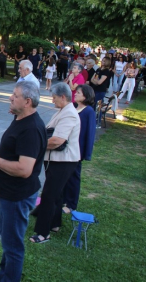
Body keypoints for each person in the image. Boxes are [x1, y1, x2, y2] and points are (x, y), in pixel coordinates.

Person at [0, 81, 47, 282]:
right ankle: (3, 276)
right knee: (7, 238)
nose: (10, 97)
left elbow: (24, 169)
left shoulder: (30, 129)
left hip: (16, 195)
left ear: (27, 102)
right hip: (8, 192)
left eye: (15, 95)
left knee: (13, 245)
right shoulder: (22, 118)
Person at [30, 83, 80, 243]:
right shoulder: (63, 111)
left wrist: (37, 146)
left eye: (54, 97)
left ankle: (43, 233)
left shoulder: (69, 114)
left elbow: (58, 140)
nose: (52, 101)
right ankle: (55, 224)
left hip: (63, 161)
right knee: (57, 194)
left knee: (49, 195)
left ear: (63, 97)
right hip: (57, 160)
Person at [62, 84, 96, 214]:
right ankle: (64, 199)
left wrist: (85, 153)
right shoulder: (75, 108)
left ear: (86, 96)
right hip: (68, 148)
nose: (75, 94)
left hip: (78, 150)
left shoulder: (88, 111)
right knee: (66, 176)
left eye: (79, 93)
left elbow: (90, 133)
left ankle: (71, 205)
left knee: (73, 177)